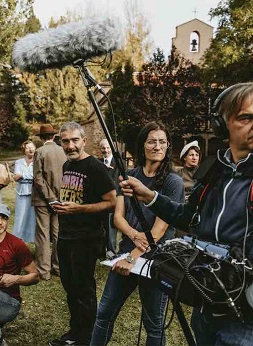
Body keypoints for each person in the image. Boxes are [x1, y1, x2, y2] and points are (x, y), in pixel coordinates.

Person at [120, 83, 253, 345]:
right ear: (221, 125)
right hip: (209, 306)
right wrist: (150, 197)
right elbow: (191, 219)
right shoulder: (216, 168)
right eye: (246, 117)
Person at [91, 122, 184, 346]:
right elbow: (118, 218)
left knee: (153, 323)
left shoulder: (173, 182)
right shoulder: (128, 175)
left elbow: (159, 231)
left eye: (162, 142)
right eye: (152, 141)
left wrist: (133, 258)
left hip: (157, 260)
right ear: (142, 145)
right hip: (126, 253)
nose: (157, 146)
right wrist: (134, 238)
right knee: (104, 314)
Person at [49, 122, 117, 346]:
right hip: (66, 235)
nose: (70, 145)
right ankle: (75, 332)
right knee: (70, 286)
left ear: (84, 141)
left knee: (84, 288)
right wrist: (62, 206)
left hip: (87, 237)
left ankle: (87, 338)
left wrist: (79, 209)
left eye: (74, 140)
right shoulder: (68, 166)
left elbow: (111, 202)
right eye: (65, 141)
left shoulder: (95, 167)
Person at [0, 203, 39, 346]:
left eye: (3, 218)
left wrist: (16, 279)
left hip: (9, 302)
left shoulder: (16, 244)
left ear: (7, 221)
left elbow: (35, 276)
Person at [31, 123, 66, 281]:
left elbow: (38, 179)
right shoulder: (63, 151)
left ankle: (44, 271)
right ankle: (59, 267)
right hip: (61, 199)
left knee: (43, 235)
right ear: (53, 136)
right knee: (58, 233)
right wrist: (57, 198)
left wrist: (50, 198)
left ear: (42, 137)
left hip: (43, 200)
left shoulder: (40, 152)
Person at [98, 138, 120, 254]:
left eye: (108, 148)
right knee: (100, 227)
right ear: (100, 149)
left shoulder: (118, 163)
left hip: (113, 199)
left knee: (111, 227)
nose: (106, 150)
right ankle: (101, 251)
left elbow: (120, 181)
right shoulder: (98, 162)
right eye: (103, 148)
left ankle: (111, 252)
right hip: (100, 200)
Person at [12, 140, 36, 242]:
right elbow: (16, 177)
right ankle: (18, 241)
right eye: (27, 148)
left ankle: (33, 240)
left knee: (32, 218)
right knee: (20, 217)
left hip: (34, 192)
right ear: (24, 150)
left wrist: (23, 175)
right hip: (21, 192)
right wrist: (28, 176)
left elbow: (36, 176)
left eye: (32, 147)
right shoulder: (19, 162)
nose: (30, 150)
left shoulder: (38, 161)